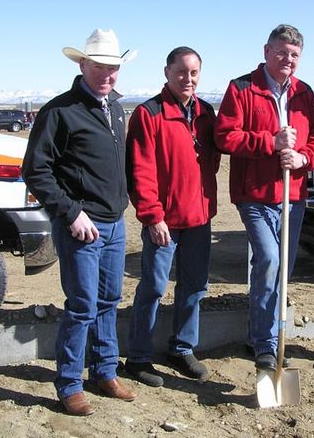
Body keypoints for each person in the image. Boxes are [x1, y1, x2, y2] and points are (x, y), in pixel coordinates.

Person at [22, 28, 135, 415]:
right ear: (83, 64)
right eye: (100, 66)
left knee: (109, 301)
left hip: (114, 223)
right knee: (83, 305)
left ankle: (104, 371)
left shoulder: (115, 108)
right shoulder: (60, 111)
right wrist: (71, 213)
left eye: (114, 68)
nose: (107, 74)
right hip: (81, 226)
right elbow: (36, 171)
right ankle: (69, 382)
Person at [214, 24, 314, 371]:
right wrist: (271, 143)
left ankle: (266, 333)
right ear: (266, 52)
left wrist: (303, 158)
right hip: (255, 196)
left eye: (293, 54)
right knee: (269, 261)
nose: (287, 59)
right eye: (281, 52)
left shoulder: (304, 95)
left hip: (292, 197)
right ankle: (265, 345)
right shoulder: (243, 89)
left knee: (282, 270)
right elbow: (225, 136)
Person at [124, 47, 219, 387]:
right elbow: (140, 171)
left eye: (194, 73)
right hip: (163, 220)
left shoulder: (207, 113)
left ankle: (181, 347)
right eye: (181, 72)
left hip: (199, 216)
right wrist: (152, 216)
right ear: (167, 72)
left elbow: (210, 164)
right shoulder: (149, 114)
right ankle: (137, 356)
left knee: (194, 286)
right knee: (152, 285)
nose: (188, 79)